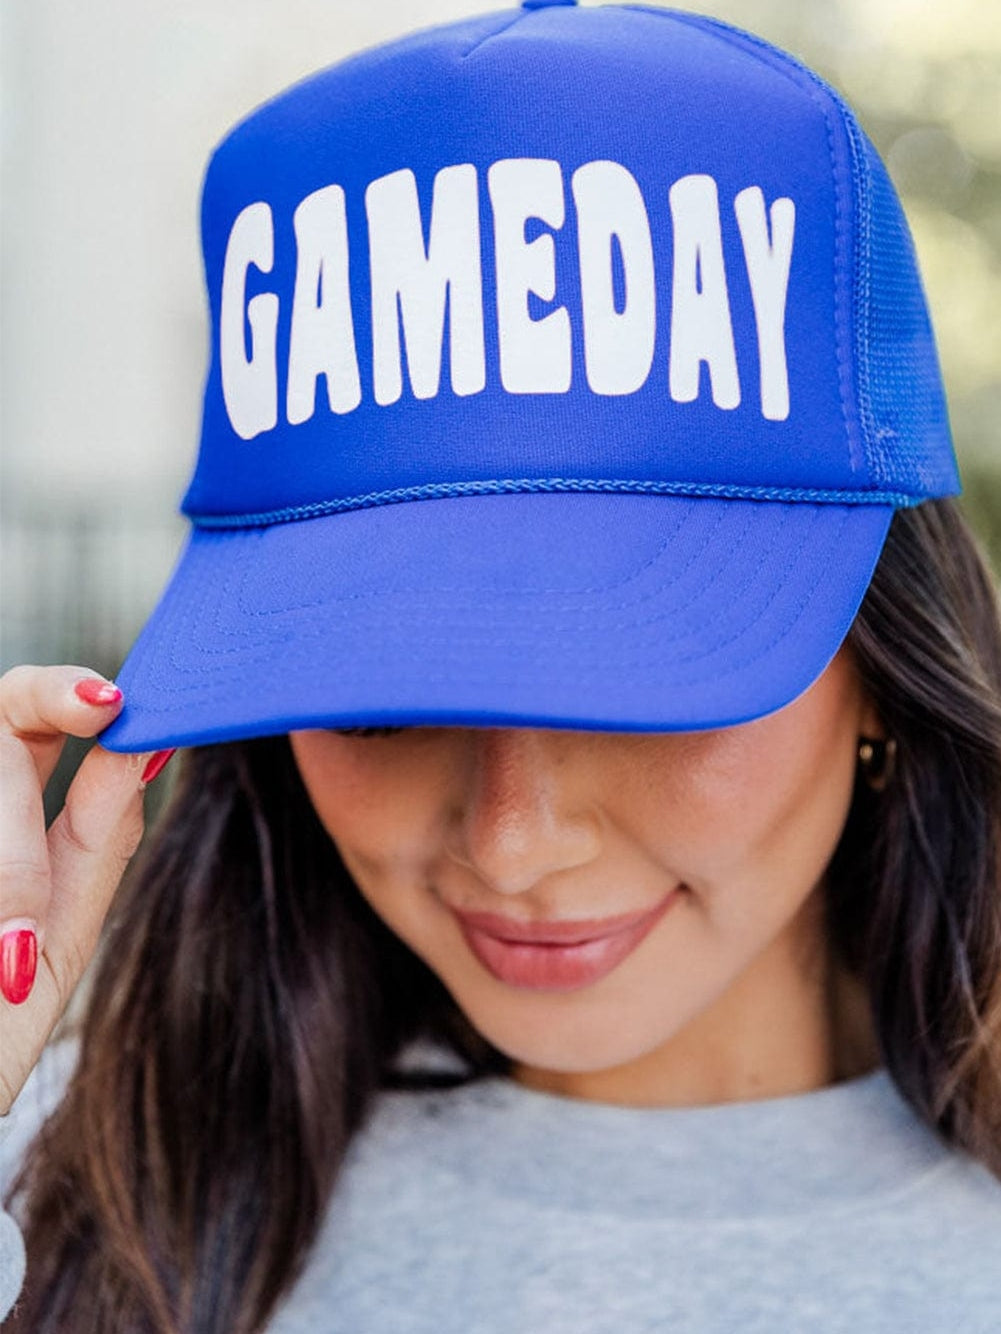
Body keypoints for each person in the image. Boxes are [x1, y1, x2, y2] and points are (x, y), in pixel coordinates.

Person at [1, 2, 1000, 1330]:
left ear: (881, 660)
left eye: (647, 681)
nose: (513, 843)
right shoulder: (67, 1188)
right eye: (382, 701)